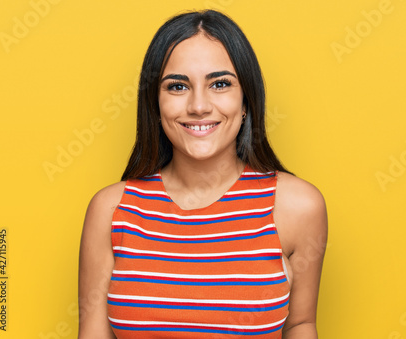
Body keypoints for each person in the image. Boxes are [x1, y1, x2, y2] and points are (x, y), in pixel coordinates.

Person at [78, 9, 327, 339]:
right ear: (155, 103)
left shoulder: (298, 207)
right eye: (178, 86)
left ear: (246, 101)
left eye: (220, 84)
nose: (198, 106)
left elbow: (300, 324)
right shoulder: (110, 210)